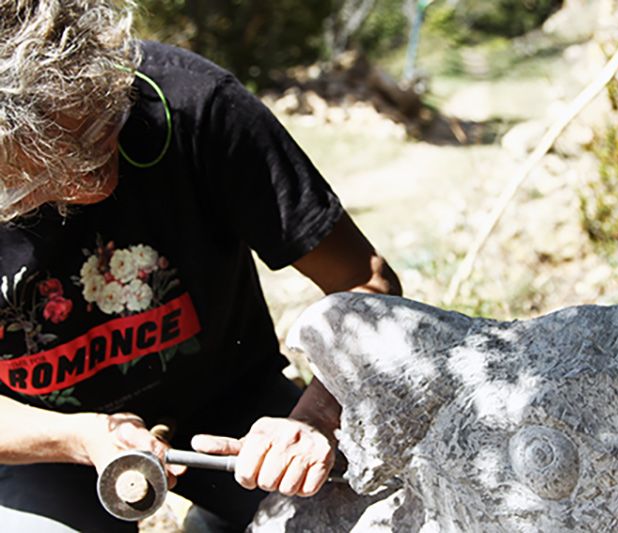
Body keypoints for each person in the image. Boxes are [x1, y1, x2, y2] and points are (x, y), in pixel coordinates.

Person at [0, 1, 401, 531]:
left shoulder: (192, 104)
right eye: (51, 172)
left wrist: (318, 417)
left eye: (100, 136)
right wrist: (78, 438)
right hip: (43, 446)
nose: (95, 184)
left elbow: (365, 283)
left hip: (240, 415)